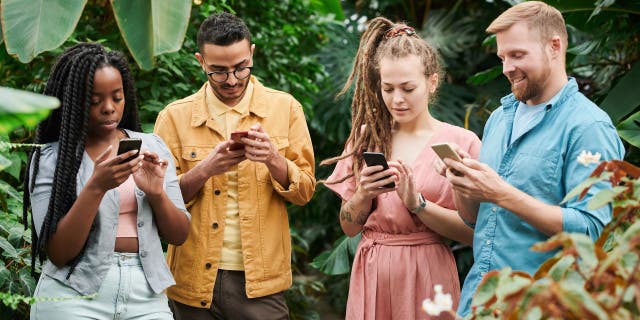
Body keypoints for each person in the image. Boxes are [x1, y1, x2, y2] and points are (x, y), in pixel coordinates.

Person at [435, 2, 626, 316]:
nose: (507, 67)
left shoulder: (589, 127)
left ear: (554, 46)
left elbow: (593, 233)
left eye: (517, 55)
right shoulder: (499, 119)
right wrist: (461, 183)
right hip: (479, 302)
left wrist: (501, 193)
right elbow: (475, 219)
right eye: (502, 57)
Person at [153, 12, 315, 320]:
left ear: (252, 53)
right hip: (191, 278)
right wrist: (205, 169)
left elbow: (305, 190)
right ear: (201, 61)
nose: (232, 80)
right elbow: (159, 201)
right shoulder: (174, 117)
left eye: (241, 68)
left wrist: (273, 159)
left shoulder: (286, 108)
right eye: (219, 71)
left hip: (261, 282)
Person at [322, 17, 481, 320]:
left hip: (428, 272)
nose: (396, 99)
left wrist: (418, 205)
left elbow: (473, 233)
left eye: (408, 88)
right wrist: (363, 195)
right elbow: (348, 226)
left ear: (432, 81)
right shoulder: (367, 136)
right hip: (373, 270)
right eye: (388, 88)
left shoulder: (461, 142)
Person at [23, 43, 191, 319]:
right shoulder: (51, 158)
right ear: (73, 100)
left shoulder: (152, 146)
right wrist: (96, 187)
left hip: (145, 292)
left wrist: (157, 194)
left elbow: (179, 235)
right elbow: (59, 252)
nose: (109, 109)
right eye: (94, 101)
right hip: (73, 292)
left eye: (117, 97)